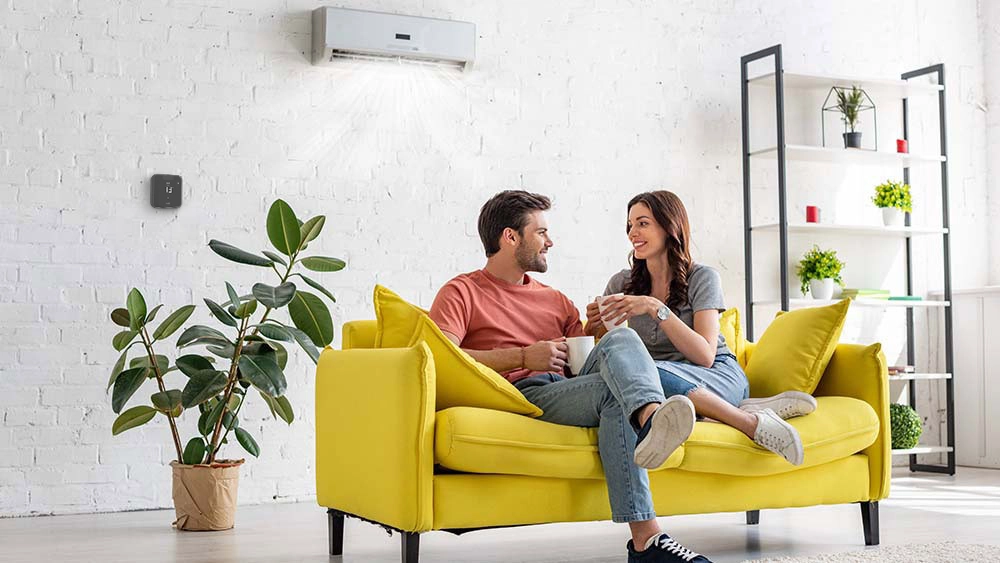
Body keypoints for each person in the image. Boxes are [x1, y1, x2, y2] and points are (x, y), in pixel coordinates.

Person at [430, 190, 713, 563]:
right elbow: (440, 358)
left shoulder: (557, 300)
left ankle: (646, 533)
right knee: (619, 383)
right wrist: (522, 356)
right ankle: (651, 429)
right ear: (510, 237)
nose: (550, 241)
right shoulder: (461, 291)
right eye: (541, 232)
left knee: (621, 341)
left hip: (565, 389)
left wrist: (595, 331)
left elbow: (582, 366)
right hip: (522, 393)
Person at [588, 190, 817, 467]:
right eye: (630, 225)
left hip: (716, 375)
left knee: (642, 371)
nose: (632, 232)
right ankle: (738, 411)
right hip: (663, 387)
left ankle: (749, 422)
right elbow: (610, 351)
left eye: (643, 223)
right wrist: (595, 326)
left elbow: (705, 356)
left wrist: (654, 308)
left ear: (669, 226)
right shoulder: (621, 283)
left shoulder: (702, 277)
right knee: (625, 376)